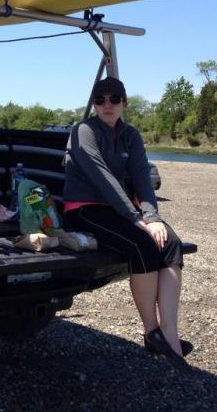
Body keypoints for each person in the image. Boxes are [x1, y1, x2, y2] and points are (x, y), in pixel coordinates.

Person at [63, 76, 190, 368]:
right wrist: (136, 219)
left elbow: (143, 179)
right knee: (142, 244)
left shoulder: (131, 135)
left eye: (114, 99)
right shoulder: (83, 131)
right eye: (100, 100)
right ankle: (151, 331)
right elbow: (102, 178)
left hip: (118, 210)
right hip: (84, 208)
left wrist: (153, 217)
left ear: (124, 103)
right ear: (94, 104)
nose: (107, 105)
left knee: (170, 243)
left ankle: (169, 331)